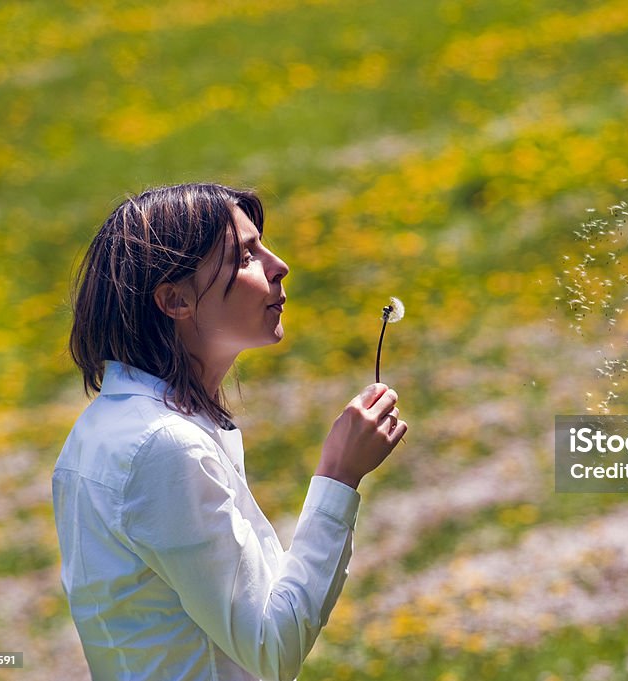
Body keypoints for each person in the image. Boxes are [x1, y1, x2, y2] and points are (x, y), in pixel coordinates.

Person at [52, 183, 408, 680]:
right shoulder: (163, 446)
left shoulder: (104, 427)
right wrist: (339, 475)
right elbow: (271, 645)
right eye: (245, 256)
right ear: (175, 299)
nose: (278, 264)